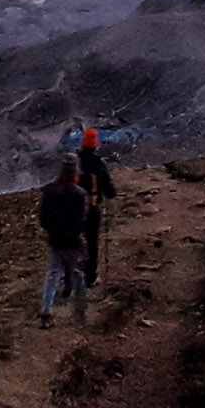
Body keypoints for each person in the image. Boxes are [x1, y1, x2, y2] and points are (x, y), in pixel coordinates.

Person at [36, 153, 89, 327]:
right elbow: (82, 219)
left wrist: (51, 231)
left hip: (55, 240)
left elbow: (43, 217)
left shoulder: (49, 191)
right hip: (74, 241)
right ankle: (80, 313)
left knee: (52, 275)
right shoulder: (80, 194)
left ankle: (46, 313)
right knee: (78, 274)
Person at [78, 127, 116, 287]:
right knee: (92, 242)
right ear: (95, 145)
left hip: (75, 209)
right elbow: (108, 189)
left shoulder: (76, 161)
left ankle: (73, 274)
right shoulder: (99, 164)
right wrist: (111, 193)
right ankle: (90, 277)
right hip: (93, 208)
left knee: (75, 240)